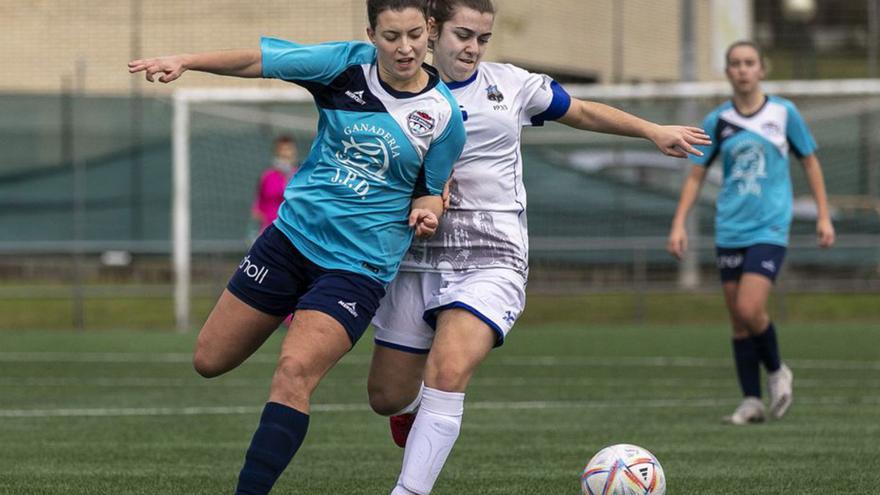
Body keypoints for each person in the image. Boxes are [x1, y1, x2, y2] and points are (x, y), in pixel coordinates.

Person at [364, 1, 711, 493]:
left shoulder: (511, 85)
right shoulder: (392, 86)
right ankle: (413, 407)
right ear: (434, 31)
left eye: (483, 39)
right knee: (385, 396)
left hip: (493, 256)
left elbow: (584, 109)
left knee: (449, 367)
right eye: (464, 35)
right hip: (415, 257)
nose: (473, 48)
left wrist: (652, 130)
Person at [128, 1, 466, 493]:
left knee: (293, 372)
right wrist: (185, 60)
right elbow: (259, 61)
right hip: (288, 240)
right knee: (209, 359)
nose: (404, 48)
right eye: (390, 36)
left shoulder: (443, 116)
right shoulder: (343, 65)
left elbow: (433, 188)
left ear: (430, 30)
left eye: (414, 34)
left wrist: (428, 211)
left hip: (358, 266)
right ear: (371, 33)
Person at [666, 40, 835, 425]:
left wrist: (823, 216)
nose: (742, 69)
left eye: (749, 62)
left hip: (770, 226)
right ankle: (751, 400)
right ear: (727, 72)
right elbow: (696, 176)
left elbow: (810, 162)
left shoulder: (784, 113)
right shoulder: (717, 121)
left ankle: (777, 370)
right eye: (735, 64)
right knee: (738, 320)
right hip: (730, 228)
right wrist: (678, 223)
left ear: (762, 68)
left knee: (749, 307)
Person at [252, 135, 299, 234]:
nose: (285, 153)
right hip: (269, 232)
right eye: (282, 150)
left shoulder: (299, 177)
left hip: (292, 233)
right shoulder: (267, 176)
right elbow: (257, 208)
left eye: (288, 149)